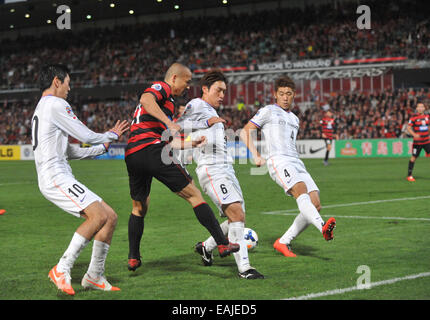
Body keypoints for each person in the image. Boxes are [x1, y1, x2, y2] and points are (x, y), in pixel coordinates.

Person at [125, 63, 239, 272]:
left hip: (133, 154)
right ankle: (222, 244)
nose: (187, 87)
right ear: (175, 77)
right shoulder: (163, 89)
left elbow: (168, 140)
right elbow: (145, 99)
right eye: (186, 82)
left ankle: (133, 257)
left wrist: (190, 143)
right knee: (195, 195)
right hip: (152, 151)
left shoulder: (166, 106)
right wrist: (168, 124)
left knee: (139, 207)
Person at [32, 64, 129, 295]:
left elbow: (70, 152)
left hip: (59, 174)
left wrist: (100, 149)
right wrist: (110, 135)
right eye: (67, 82)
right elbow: (84, 134)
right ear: (57, 81)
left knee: (110, 217)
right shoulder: (56, 104)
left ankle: (94, 276)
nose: (69, 87)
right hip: (54, 176)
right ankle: (62, 268)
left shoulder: (42, 107)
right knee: (99, 216)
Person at [175, 70, 264, 279]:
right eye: (218, 90)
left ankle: (206, 247)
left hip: (227, 169)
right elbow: (177, 126)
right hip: (212, 169)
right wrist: (183, 154)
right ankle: (244, 269)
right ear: (205, 89)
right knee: (236, 214)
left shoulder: (211, 112)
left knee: (237, 216)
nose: (223, 95)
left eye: (225, 91)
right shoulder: (197, 105)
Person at [240, 76, 336, 258]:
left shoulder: (295, 119)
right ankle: (323, 227)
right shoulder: (268, 111)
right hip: (278, 161)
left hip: (296, 161)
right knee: (301, 190)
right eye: (281, 94)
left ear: (294, 96)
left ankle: (283, 242)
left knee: (315, 203)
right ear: (275, 95)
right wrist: (255, 154)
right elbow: (246, 131)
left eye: (289, 94)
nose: (285, 97)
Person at [406, 102, 430, 181]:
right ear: (416, 109)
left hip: (427, 141)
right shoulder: (413, 118)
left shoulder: (427, 117)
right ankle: (409, 175)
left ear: (424, 108)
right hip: (417, 143)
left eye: (422, 107)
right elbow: (408, 128)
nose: (420, 108)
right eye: (419, 107)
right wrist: (414, 134)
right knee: (413, 157)